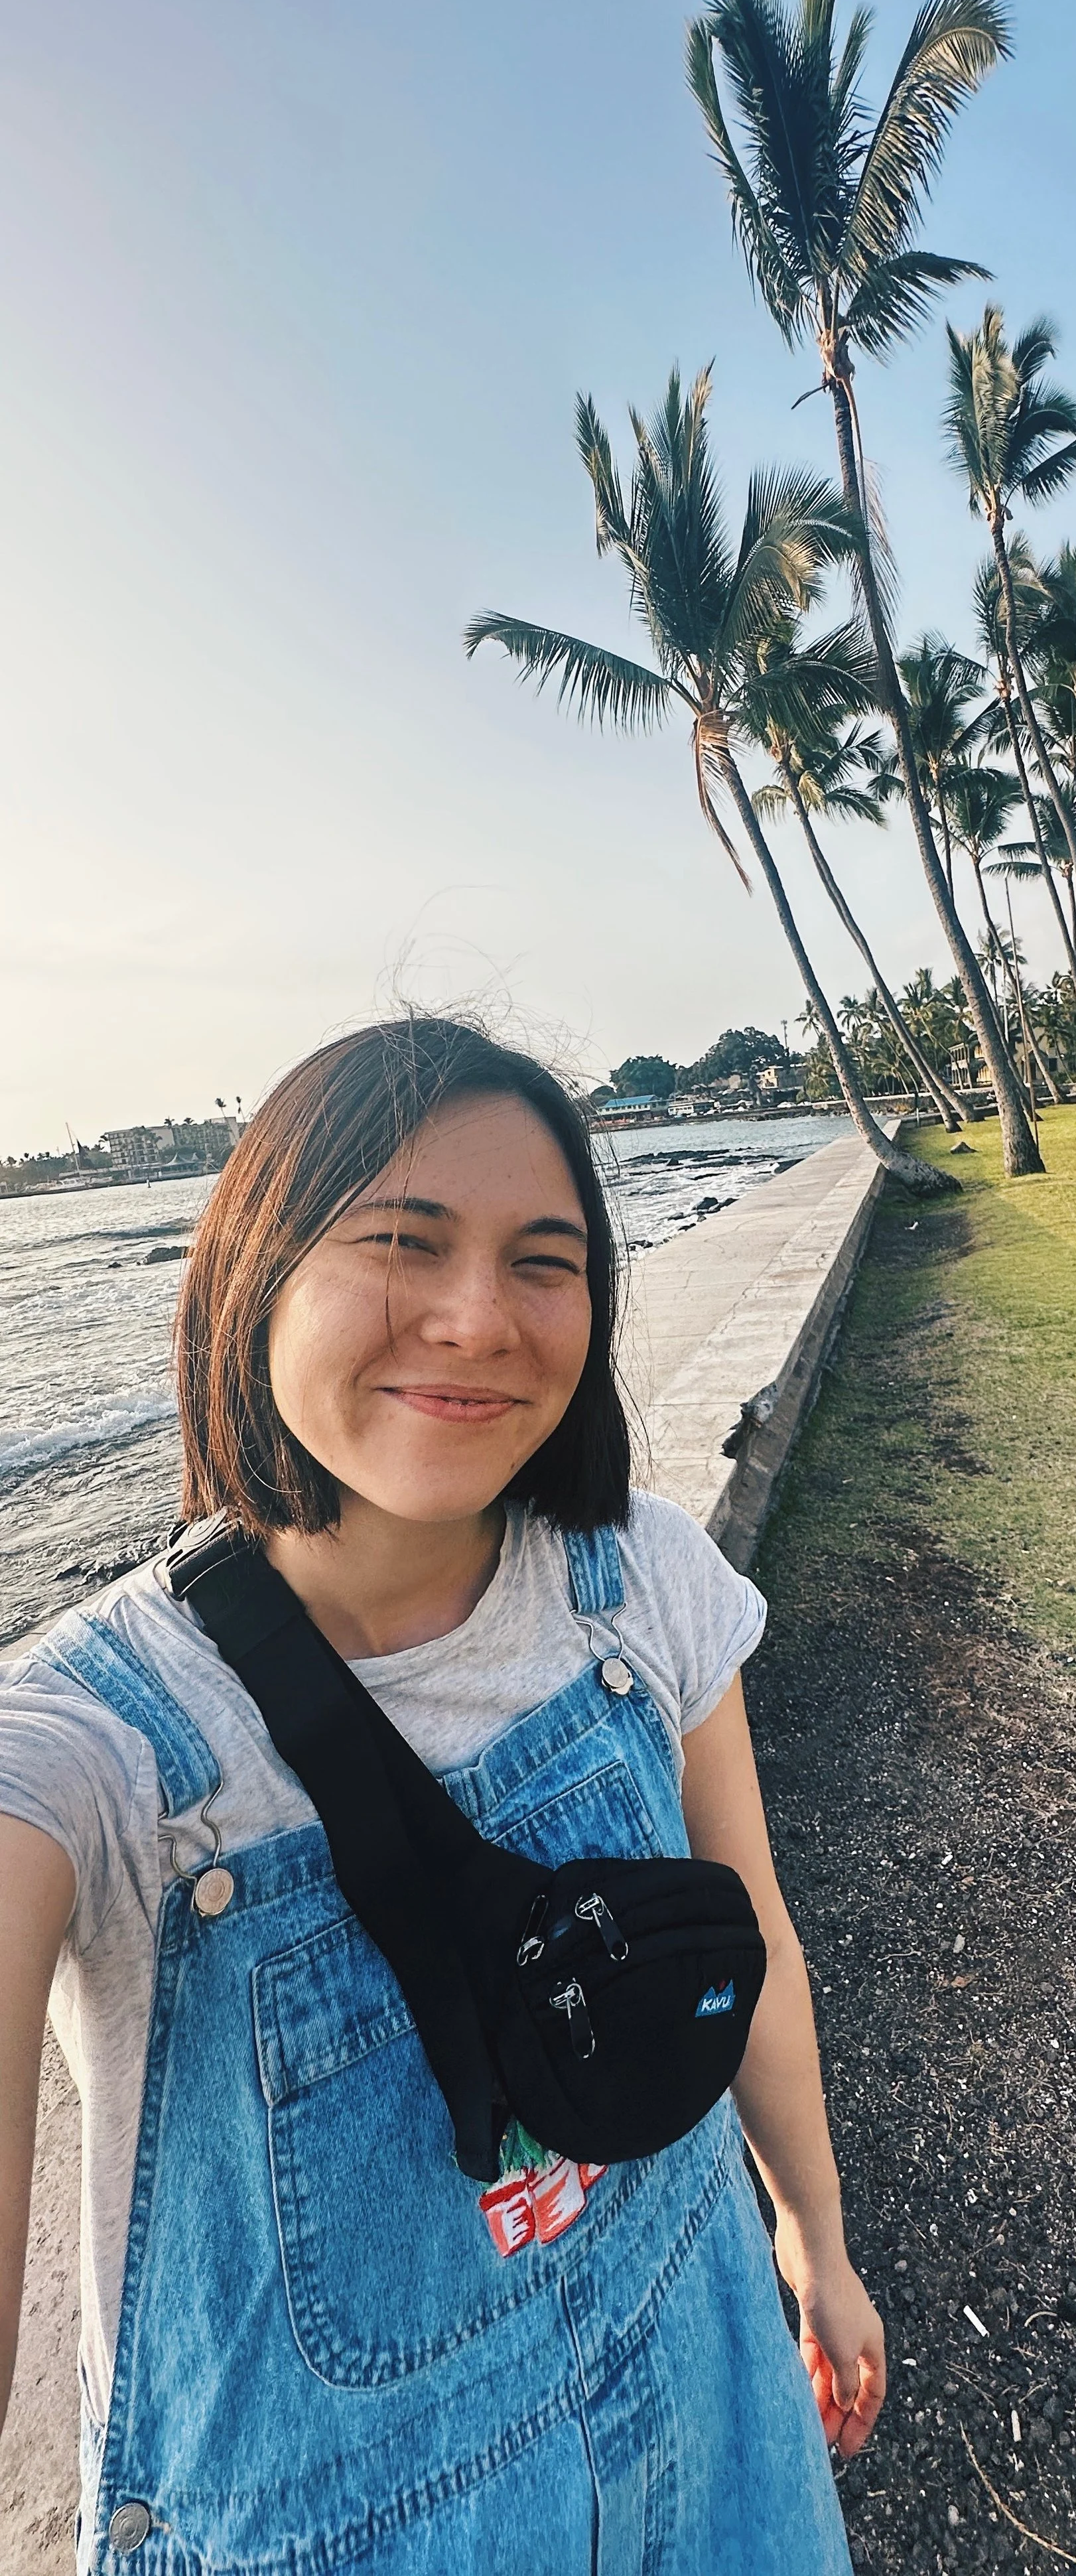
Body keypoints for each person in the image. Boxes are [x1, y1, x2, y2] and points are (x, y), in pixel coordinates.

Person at [0, 1016, 883, 2573]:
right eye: (404, 1241)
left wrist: (809, 2232)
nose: (480, 1318)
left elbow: (763, 1945)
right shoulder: (90, 1743)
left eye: (545, 1260)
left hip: (711, 2387)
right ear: (254, 1274)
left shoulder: (645, 1582)